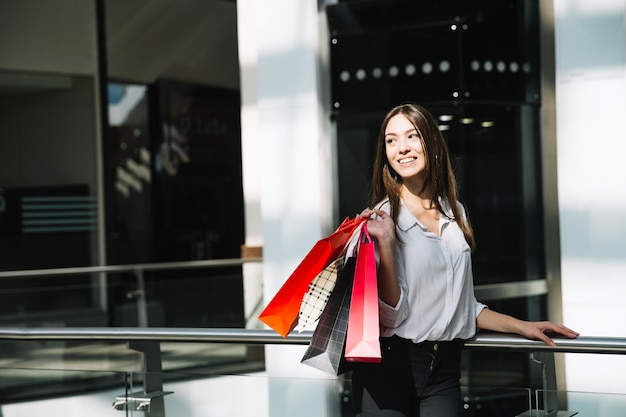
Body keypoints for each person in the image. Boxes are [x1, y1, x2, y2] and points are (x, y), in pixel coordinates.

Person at [352, 103, 579, 417]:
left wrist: (522, 326)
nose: (401, 148)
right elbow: (391, 316)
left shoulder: (453, 210)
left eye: (411, 136)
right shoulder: (383, 219)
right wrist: (387, 243)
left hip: (444, 369)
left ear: (431, 143)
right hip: (390, 368)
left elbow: (461, 306)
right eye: (391, 140)